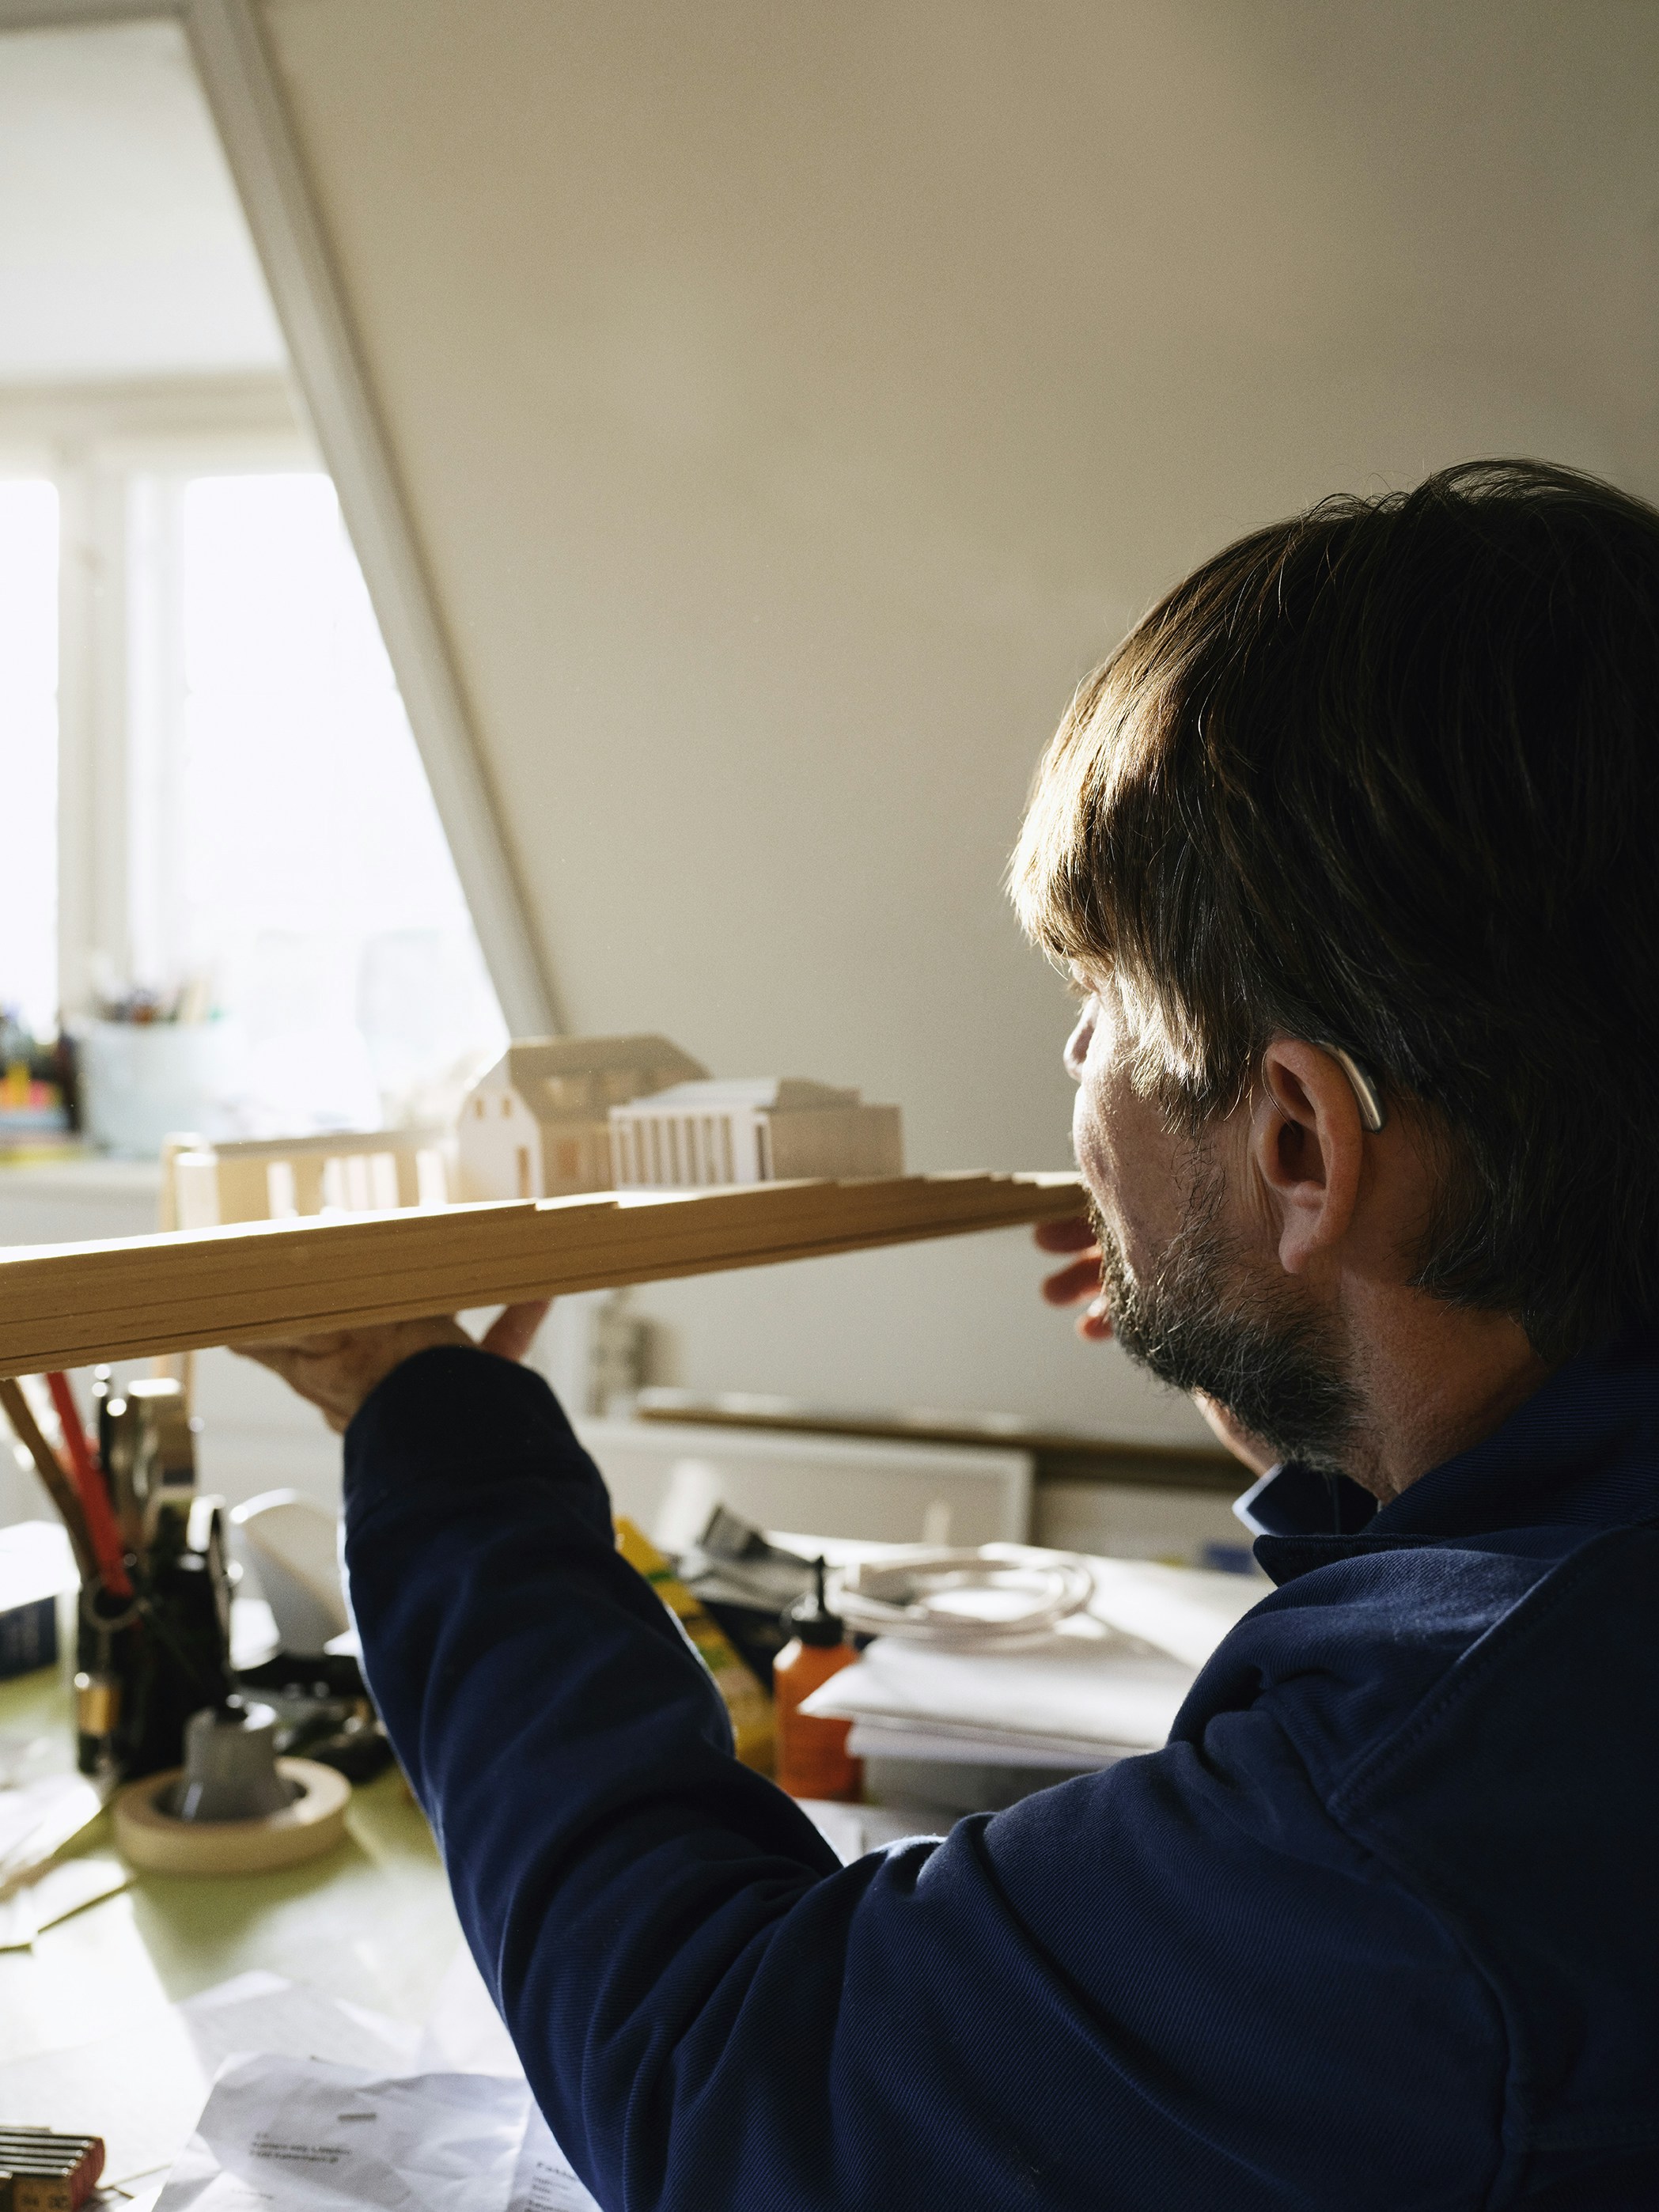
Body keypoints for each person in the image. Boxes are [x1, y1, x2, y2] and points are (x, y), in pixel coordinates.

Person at [248, 460, 1659, 2209]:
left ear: (1296, 1144)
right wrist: (1341, 1404)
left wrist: (424, 1426)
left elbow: (717, 2072)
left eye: (1095, 1008)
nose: (1071, 1070)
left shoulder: (1419, 1823)